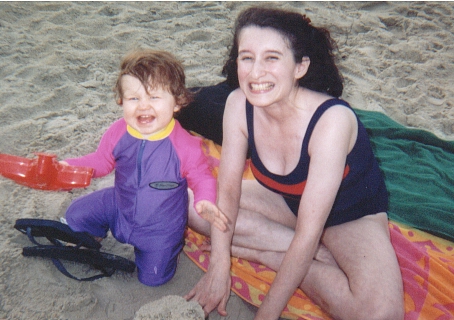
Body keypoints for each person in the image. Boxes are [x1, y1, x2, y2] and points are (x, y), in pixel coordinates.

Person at [184, 7, 404, 320]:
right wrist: (219, 267)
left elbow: (308, 232)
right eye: (247, 58)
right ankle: (298, 254)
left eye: (272, 58)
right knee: (190, 205)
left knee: (380, 314)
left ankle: (272, 253)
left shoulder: (331, 121)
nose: (256, 73)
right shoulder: (237, 104)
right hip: (286, 203)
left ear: (299, 67)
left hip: (348, 216)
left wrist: (267, 313)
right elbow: (228, 193)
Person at [63, 49, 226, 286]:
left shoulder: (185, 146)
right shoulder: (118, 132)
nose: (143, 106)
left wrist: (205, 200)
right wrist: (68, 168)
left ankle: (168, 252)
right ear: (121, 100)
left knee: (153, 279)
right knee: (75, 214)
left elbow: (202, 177)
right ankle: (95, 235)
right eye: (134, 98)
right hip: (119, 206)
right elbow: (100, 162)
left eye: (154, 97)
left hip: (160, 228)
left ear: (178, 101)